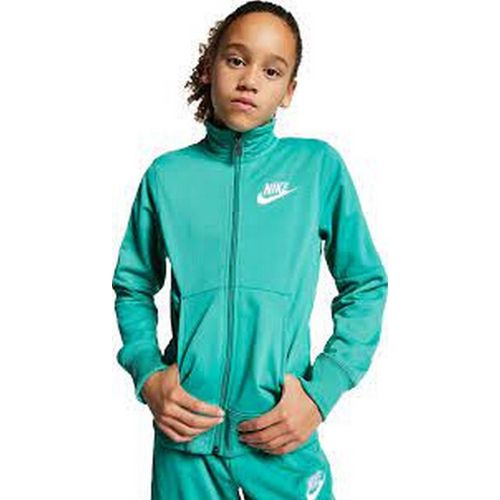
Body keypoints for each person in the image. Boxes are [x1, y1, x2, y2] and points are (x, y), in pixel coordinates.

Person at [111, 1, 388, 498]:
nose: (249, 80)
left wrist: (322, 392)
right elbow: (133, 287)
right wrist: (149, 374)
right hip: (186, 437)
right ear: (209, 67)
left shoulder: (316, 168)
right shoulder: (167, 177)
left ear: (289, 90)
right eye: (236, 60)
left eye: (272, 70)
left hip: (281, 431)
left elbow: (365, 284)